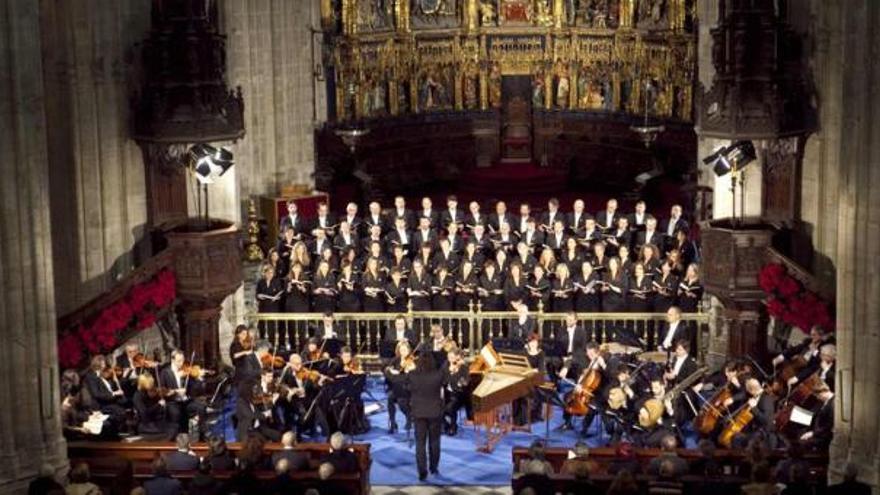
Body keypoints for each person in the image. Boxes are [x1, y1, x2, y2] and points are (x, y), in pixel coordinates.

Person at [406, 352, 446, 481]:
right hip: (435, 412)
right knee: (434, 442)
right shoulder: (439, 374)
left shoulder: (412, 375)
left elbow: (406, 388)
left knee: (420, 443)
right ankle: (434, 467)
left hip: (419, 412)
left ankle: (422, 471)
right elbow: (445, 385)